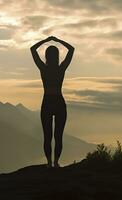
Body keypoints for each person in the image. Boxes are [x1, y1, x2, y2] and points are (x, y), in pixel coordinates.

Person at [30, 36, 74, 168]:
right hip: (59, 102)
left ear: (47, 56)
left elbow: (32, 49)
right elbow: (71, 49)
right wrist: (58, 41)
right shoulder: (61, 69)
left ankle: (49, 163)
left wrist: (47, 40)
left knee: (47, 136)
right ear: (57, 56)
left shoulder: (43, 68)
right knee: (58, 136)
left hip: (47, 102)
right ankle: (55, 163)